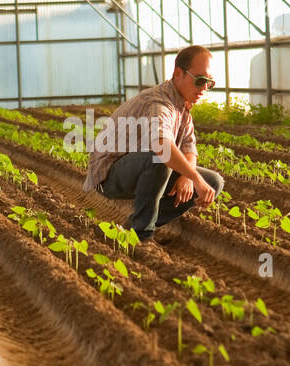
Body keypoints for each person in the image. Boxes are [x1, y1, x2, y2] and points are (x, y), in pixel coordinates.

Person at [83, 45, 225, 244]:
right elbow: (161, 147)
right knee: (160, 158)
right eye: (200, 81)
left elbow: (188, 148)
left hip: (139, 168)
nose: (204, 89)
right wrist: (195, 178)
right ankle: (142, 236)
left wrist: (187, 176)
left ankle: (135, 224)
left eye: (209, 83)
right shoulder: (159, 102)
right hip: (109, 175)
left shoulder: (183, 107)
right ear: (178, 74)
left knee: (212, 182)